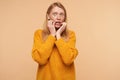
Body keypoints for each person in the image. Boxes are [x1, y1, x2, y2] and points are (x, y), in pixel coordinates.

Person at [32, 1, 78, 80]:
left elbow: (68, 59)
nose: (58, 18)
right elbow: (40, 59)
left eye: (61, 14)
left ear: (64, 17)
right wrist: (52, 35)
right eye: (55, 14)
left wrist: (58, 36)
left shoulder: (71, 35)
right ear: (48, 16)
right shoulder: (39, 34)